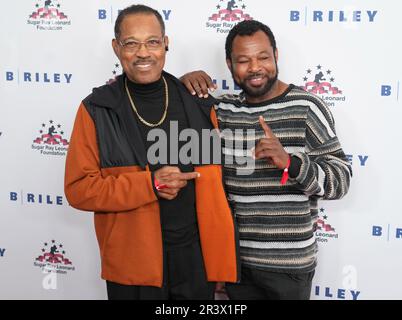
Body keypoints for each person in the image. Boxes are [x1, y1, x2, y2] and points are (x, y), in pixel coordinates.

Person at [64, 4, 239, 300]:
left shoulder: (195, 101)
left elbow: (218, 184)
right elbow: (79, 189)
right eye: (131, 43)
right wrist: (150, 185)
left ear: (166, 44)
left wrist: (220, 264)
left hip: (195, 264)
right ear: (116, 48)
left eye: (153, 42)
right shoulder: (96, 109)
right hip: (134, 268)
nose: (143, 53)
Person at [181, 19, 352, 300]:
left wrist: (291, 162)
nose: (255, 67)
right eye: (243, 60)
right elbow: (172, 116)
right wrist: (181, 84)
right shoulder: (223, 109)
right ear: (229, 63)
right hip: (237, 266)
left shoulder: (306, 107)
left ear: (276, 55)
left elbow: (341, 180)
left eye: (263, 57)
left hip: (289, 270)